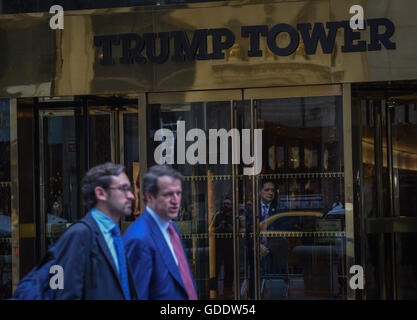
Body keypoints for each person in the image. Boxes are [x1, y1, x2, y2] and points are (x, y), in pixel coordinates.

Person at [49, 162, 138, 299]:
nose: (131, 196)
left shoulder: (114, 235)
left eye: (130, 189)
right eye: (123, 189)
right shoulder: (79, 235)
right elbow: (66, 294)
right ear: (100, 193)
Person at [123, 165, 198, 300]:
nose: (175, 200)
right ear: (149, 196)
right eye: (168, 194)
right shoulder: (139, 238)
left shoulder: (172, 228)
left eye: (178, 193)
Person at [213, 195, 234, 299]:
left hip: (230, 247)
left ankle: (227, 291)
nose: (226, 206)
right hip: (219, 246)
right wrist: (219, 227)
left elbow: (238, 230)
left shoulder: (234, 216)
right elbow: (212, 230)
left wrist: (231, 228)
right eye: (224, 204)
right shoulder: (218, 216)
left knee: (229, 270)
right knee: (215, 269)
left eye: (228, 204)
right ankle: (214, 291)